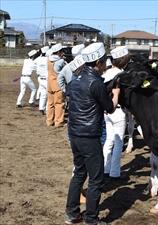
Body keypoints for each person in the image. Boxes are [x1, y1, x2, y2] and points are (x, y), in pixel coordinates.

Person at [65, 42, 120, 225]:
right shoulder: (95, 83)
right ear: (98, 62)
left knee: (79, 174)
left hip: (74, 134)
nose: (106, 65)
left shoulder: (75, 80)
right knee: (96, 179)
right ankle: (91, 219)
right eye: (104, 61)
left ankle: (72, 214)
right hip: (89, 136)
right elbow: (110, 108)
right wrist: (116, 93)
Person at [102, 46, 129, 179]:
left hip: (106, 111)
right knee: (118, 143)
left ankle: (105, 168)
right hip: (118, 111)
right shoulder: (122, 75)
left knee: (109, 140)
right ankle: (115, 172)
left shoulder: (106, 73)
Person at [46, 43, 66, 127]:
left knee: (50, 103)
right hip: (57, 85)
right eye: (62, 51)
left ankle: (49, 121)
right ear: (58, 52)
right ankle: (59, 121)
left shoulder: (48, 60)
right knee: (59, 104)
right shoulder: (60, 61)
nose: (63, 53)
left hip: (49, 84)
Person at [34, 46, 49, 114]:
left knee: (43, 94)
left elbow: (34, 65)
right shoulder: (48, 59)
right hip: (46, 79)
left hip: (40, 78)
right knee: (50, 95)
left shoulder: (37, 59)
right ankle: (47, 109)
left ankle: (41, 108)